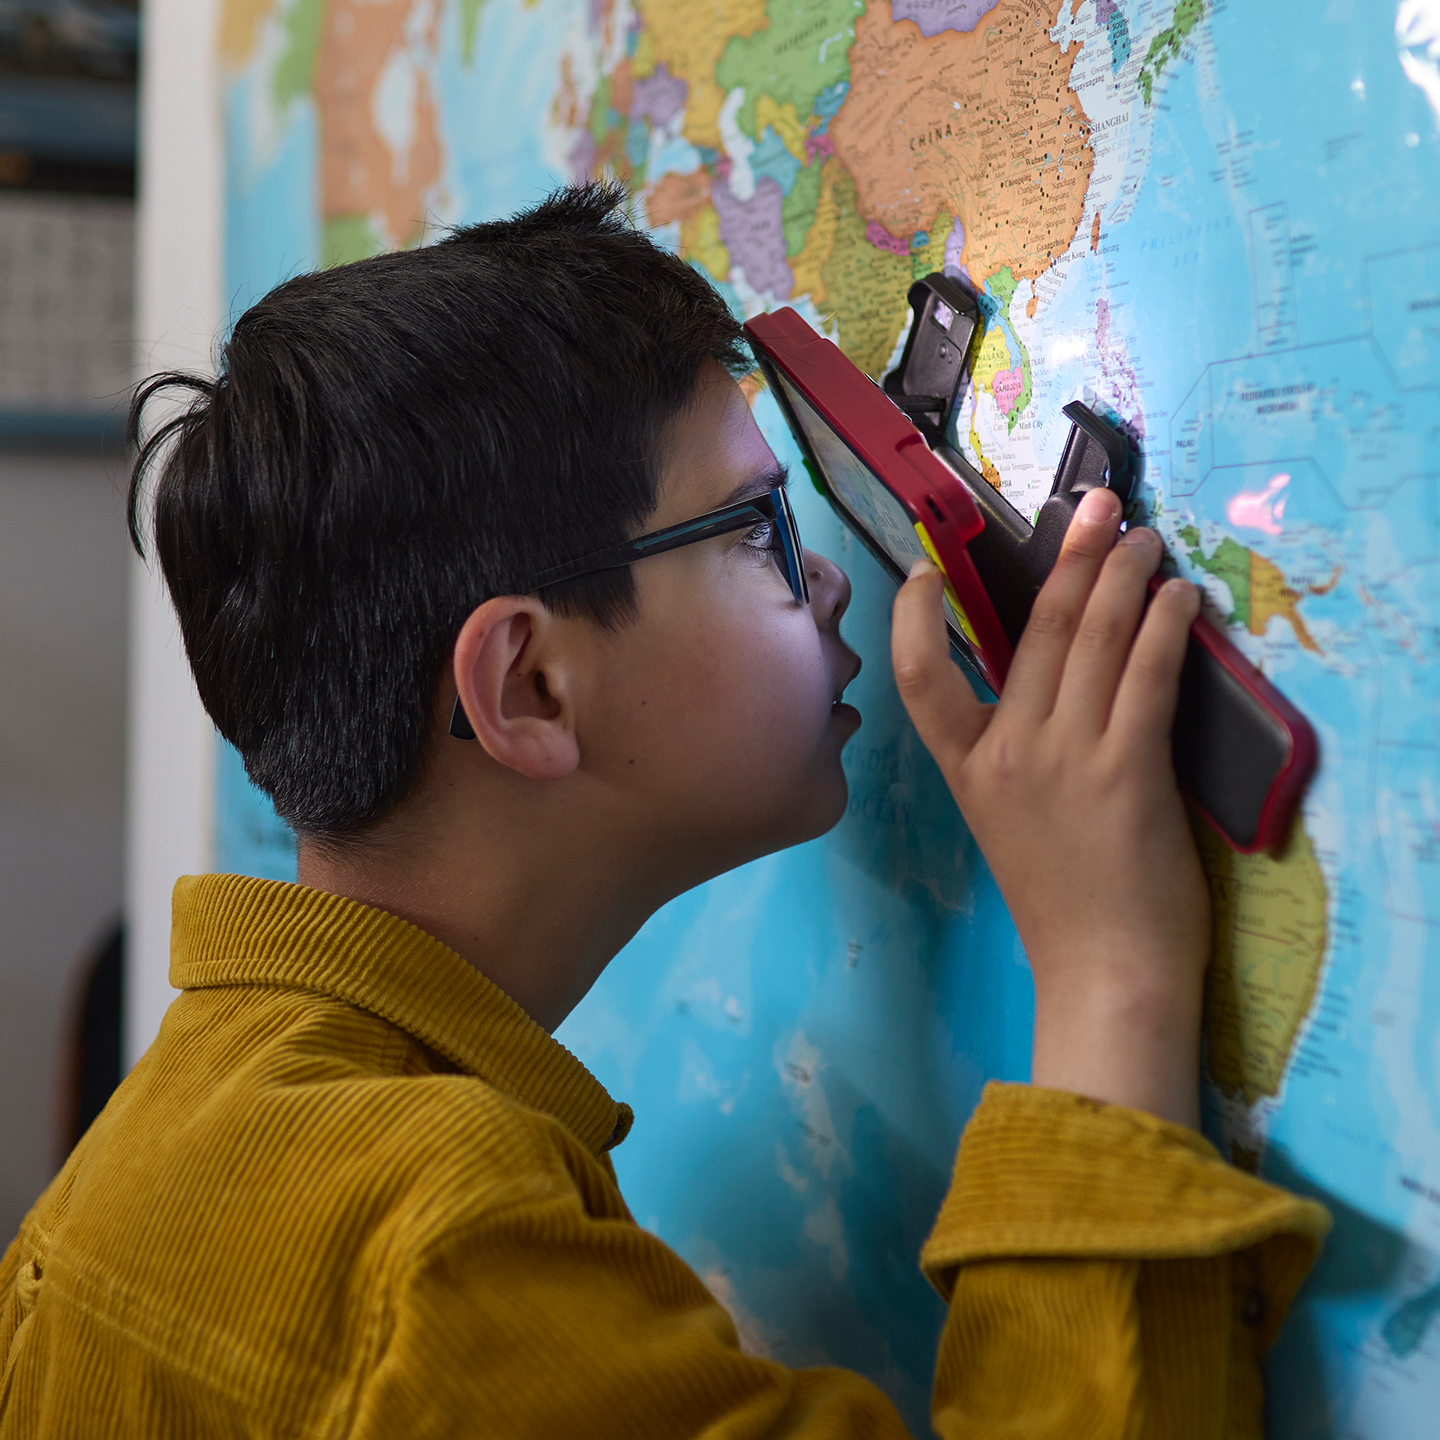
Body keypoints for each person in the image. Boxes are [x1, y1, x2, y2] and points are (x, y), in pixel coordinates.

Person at [0, 183, 1328, 1438]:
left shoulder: (178, 1123)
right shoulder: (438, 1257)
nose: (830, 592)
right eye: (759, 531)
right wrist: (1109, 979)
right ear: (527, 685)